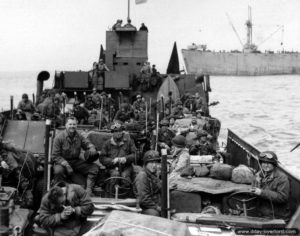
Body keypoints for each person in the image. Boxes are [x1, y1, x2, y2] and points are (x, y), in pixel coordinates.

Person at [51, 117, 99, 195]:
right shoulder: (59, 138)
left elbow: (86, 143)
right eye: (70, 124)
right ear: (66, 125)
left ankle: (89, 190)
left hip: (75, 161)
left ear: (76, 125)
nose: (72, 126)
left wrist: (92, 147)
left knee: (94, 168)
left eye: (74, 124)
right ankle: (60, 192)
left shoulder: (79, 136)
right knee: (58, 171)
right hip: (61, 162)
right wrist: (66, 165)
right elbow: (55, 156)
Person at [252, 151, 290, 222]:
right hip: (262, 213)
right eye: (263, 163)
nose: (265, 165)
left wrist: (261, 192)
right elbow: (253, 190)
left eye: (268, 163)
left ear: (274, 164)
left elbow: (283, 197)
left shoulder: (282, 178)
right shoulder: (258, 175)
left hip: (278, 216)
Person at [134, 150, 161, 216]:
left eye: (156, 162)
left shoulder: (152, 174)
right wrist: (157, 208)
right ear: (146, 163)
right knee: (155, 214)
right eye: (151, 162)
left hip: (153, 203)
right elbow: (144, 199)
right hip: (143, 207)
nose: (154, 165)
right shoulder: (142, 176)